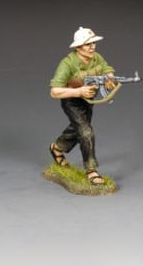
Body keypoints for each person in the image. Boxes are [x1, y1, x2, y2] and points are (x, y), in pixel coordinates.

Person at [48, 27, 116, 185]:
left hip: (89, 100)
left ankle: (57, 147)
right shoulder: (67, 64)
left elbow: (106, 68)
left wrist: (110, 78)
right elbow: (54, 91)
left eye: (93, 43)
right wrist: (78, 91)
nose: (92, 47)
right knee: (86, 132)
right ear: (78, 47)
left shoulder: (96, 58)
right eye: (88, 44)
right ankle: (91, 170)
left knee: (78, 127)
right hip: (72, 101)